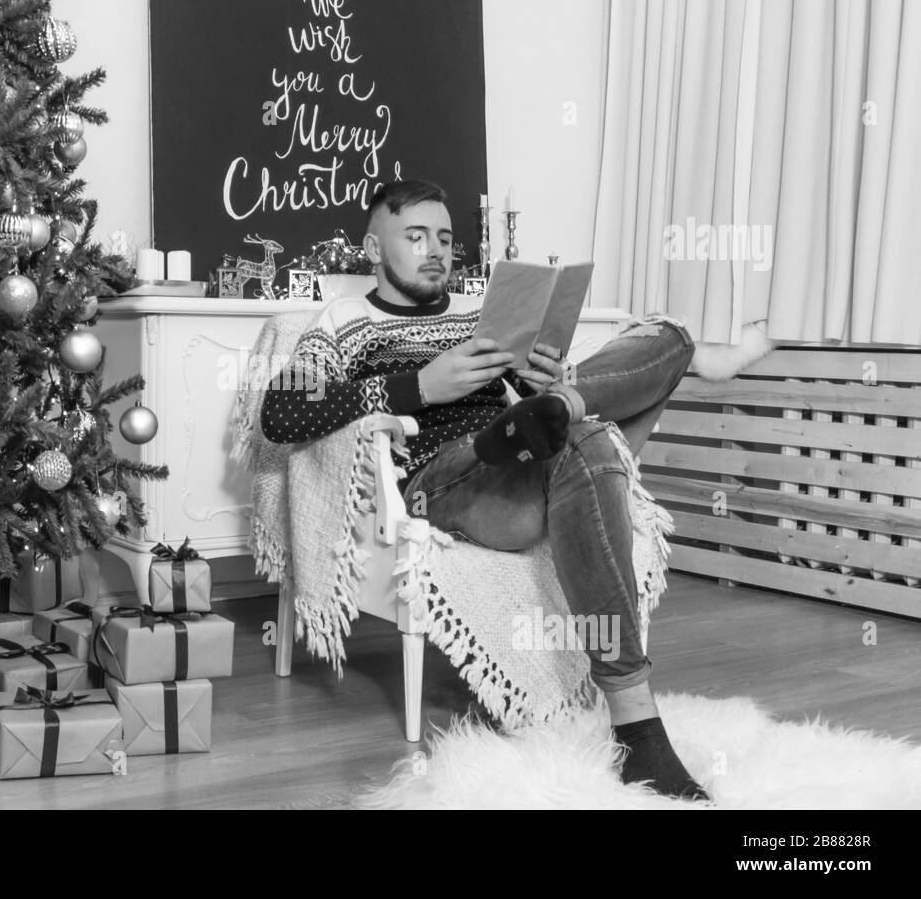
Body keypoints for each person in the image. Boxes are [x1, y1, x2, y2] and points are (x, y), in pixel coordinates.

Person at [260, 179, 722, 800]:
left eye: (446, 239)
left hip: (526, 460)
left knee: (669, 338)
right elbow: (281, 413)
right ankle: (639, 728)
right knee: (573, 441)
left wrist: (540, 383)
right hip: (441, 483)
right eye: (415, 236)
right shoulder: (343, 321)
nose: (435, 251)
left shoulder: (483, 316)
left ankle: (567, 401)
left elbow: (529, 399)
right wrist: (419, 387)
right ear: (373, 248)